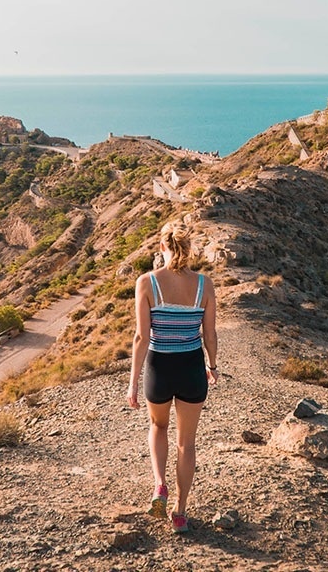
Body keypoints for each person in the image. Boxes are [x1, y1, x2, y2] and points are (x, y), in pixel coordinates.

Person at [126, 221, 218, 534]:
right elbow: (210, 333)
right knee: (186, 444)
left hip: (158, 368)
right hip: (191, 367)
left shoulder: (146, 282)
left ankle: (160, 486)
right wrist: (212, 364)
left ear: (162, 248)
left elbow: (141, 336)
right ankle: (179, 512)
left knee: (158, 425)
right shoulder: (205, 285)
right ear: (188, 249)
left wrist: (133, 382)